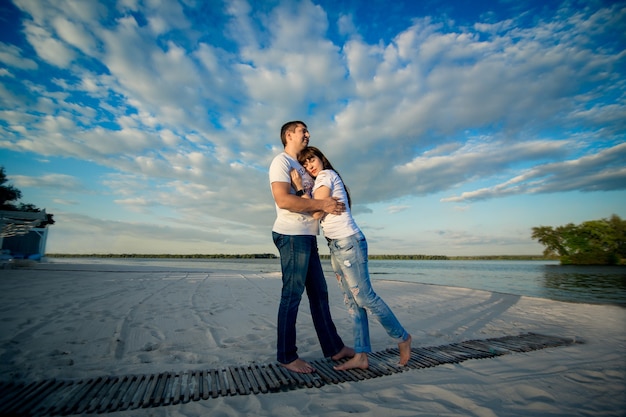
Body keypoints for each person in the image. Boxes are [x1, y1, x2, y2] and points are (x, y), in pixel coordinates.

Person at [291, 146, 412, 370]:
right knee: (352, 302)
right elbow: (318, 208)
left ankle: (402, 338)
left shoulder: (326, 176)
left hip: (348, 243)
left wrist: (300, 189)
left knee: (365, 297)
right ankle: (361, 355)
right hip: (336, 245)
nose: (310, 165)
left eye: (312, 159)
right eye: (305, 164)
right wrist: (317, 203)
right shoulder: (321, 182)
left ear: (321, 158)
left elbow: (315, 213)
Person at [269, 121, 355, 374]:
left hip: (307, 236)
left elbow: (313, 201)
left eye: (307, 131)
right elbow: (283, 200)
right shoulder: (281, 162)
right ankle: (286, 355)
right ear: (288, 135)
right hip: (292, 235)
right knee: (292, 295)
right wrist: (322, 205)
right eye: (302, 131)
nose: (308, 134)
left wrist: (323, 206)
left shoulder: (301, 166)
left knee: (319, 295)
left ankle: (334, 348)